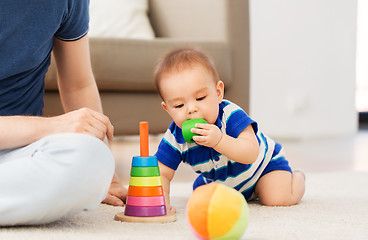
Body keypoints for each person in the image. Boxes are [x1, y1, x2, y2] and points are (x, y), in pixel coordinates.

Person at [0, 0, 126, 226]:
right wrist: (52, 126)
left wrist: (108, 179)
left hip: (20, 154)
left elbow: (78, 85)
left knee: (93, 158)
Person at [153, 47, 305, 212]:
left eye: (200, 98)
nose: (191, 109)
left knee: (277, 199)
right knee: (202, 203)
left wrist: (219, 140)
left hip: (262, 168)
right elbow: (162, 173)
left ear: (218, 92)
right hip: (222, 181)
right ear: (167, 109)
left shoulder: (230, 115)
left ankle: (297, 178)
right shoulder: (175, 138)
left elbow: (250, 153)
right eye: (179, 105)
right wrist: (161, 203)